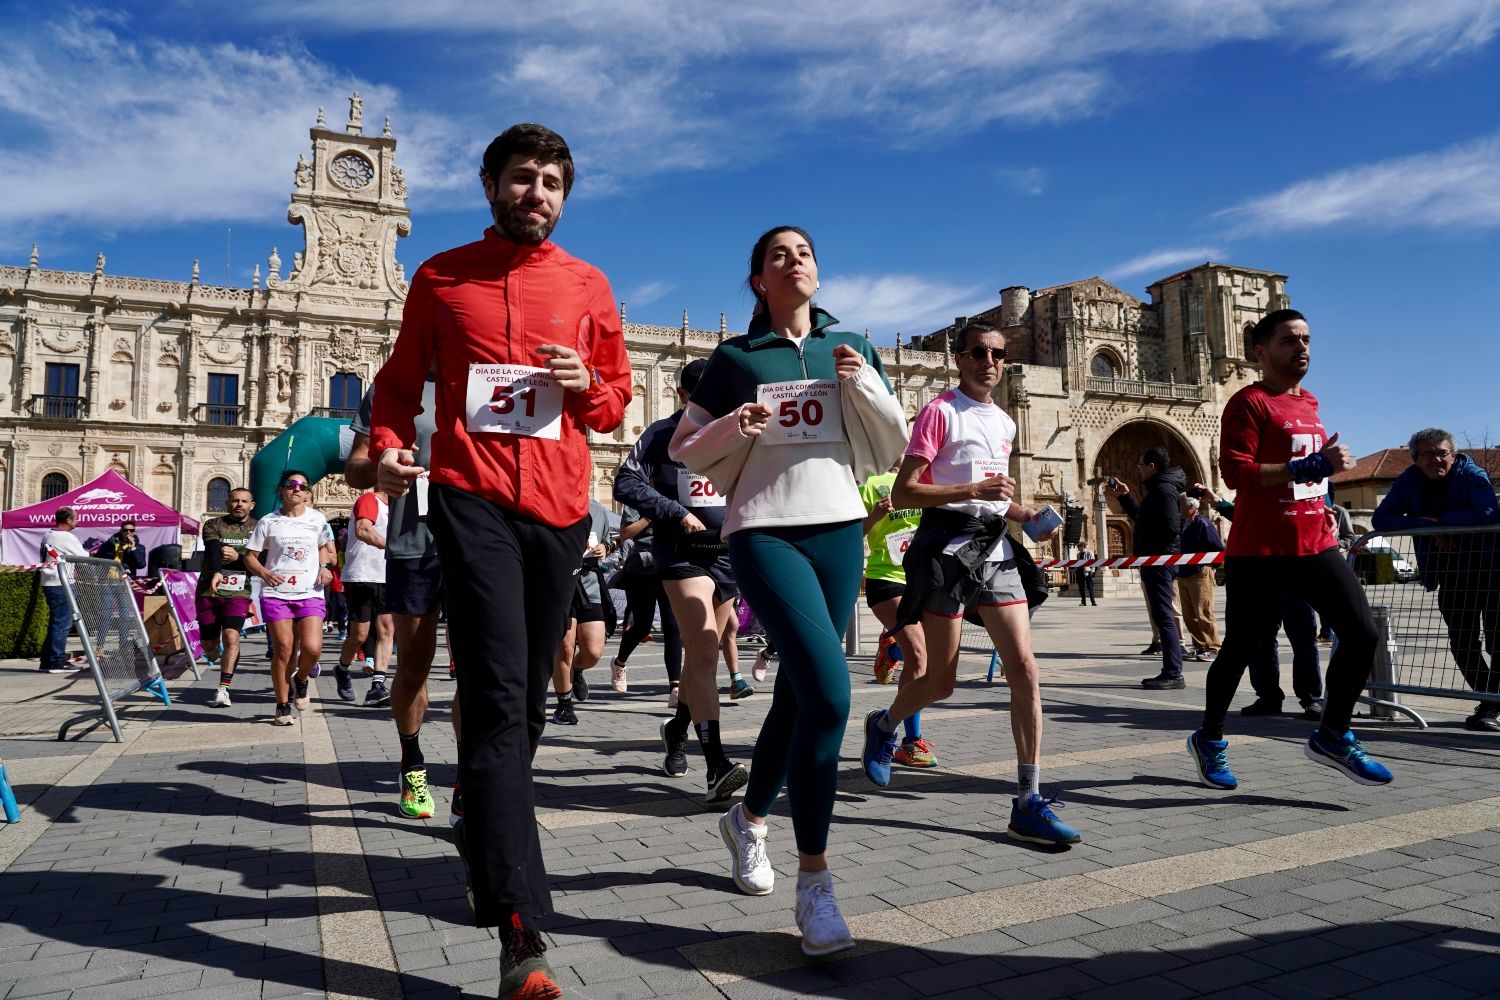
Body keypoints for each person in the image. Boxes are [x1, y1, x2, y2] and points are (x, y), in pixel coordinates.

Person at [368, 122, 630, 999]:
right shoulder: (440, 278)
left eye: (554, 181)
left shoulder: (588, 284)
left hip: (559, 508)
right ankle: (521, 930)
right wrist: (387, 441)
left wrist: (583, 383)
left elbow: (614, 398)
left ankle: (482, 809)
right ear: (490, 185)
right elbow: (400, 386)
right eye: (523, 178)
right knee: (496, 692)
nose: (539, 193)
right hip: (470, 500)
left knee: (529, 703)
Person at [672, 225, 906, 957]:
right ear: (758, 281)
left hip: (839, 528)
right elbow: (685, 446)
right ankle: (816, 886)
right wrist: (736, 426)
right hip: (763, 530)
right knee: (832, 695)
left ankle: (748, 819)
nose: (794, 260)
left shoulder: (854, 350)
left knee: (801, 696)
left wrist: (859, 382)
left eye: (804, 251)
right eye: (778, 255)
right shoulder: (737, 359)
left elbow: (895, 443)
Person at [859, 320, 1076, 849]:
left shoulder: (1005, 421)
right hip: (948, 553)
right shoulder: (939, 412)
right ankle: (884, 726)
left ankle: (1028, 799)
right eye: (978, 352)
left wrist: (1028, 513)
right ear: (959, 359)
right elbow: (908, 493)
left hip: (995, 547)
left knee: (1024, 667)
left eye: (999, 354)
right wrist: (972, 487)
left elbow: (996, 497)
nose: (990, 362)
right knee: (940, 682)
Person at [1186, 308, 1393, 789]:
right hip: (1260, 550)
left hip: (1315, 544)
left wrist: (1320, 494)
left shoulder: (1312, 403)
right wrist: (1310, 466)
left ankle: (1334, 735)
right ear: (1260, 351)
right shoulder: (1249, 402)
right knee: (1240, 648)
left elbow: (1310, 472)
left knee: (1361, 634)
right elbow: (1236, 474)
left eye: (1306, 340)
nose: (1302, 348)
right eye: (1289, 341)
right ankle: (1210, 738)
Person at [616, 358, 752, 800]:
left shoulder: (738, 433)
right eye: (702, 397)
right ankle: (716, 765)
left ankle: (677, 730)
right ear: (683, 396)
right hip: (682, 556)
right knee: (705, 652)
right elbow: (625, 482)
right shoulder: (661, 434)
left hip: (726, 555)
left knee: (702, 659)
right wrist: (676, 513)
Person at [348, 377, 463, 821]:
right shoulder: (390, 386)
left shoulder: (491, 370)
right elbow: (355, 466)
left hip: (478, 542)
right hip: (413, 543)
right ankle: (412, 761)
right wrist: (379, 469)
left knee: (476, 665)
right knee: (414, 662)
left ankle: (466, 774)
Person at [1372, 427, 1500, 731]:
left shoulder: (1472, 475)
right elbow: (1380, 519)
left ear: (1453, 455)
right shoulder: (1409, 480)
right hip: (1450, 575)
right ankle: (1493, 701)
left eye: (1443, 453)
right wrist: (1422, 524)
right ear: (1416, 458)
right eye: (1428, 454)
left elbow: (1487, 511)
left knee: (1498, 643)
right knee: (1462, 643)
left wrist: (1442, 523)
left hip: (1492, 571)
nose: (1436, 459)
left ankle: (1491, 706)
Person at [1196, 482, 1325, 721]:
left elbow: (1321, 511)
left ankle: (1311, 699)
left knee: (1303, 637)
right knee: (1262, 639)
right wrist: (1217, 502)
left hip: (1296, 570)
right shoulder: (1258, 486)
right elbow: (1246, 517)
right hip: (1262, 572)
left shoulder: (1303, 479)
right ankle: (1268, 697)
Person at [244, 470, 336, 726]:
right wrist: (264, 572)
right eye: (290, 484)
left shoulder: (318, 519)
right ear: (281, 490)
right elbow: (250, 556)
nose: (296, 489)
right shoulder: (268, 522)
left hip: (310, 591)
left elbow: (324, 549)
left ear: (308, 492)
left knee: (312, 648)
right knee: (284, 649)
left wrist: (326, 568)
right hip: (277, 593)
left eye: (302, 486)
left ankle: (302, 678)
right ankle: (282, 706)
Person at [859, 463, 933, 766]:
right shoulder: (869, 480)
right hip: (885, 579)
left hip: (924, 580)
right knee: (919, 658)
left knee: (932, 659)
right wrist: (876, 514)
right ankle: (910, 742)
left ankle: (891, 648)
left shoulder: (924, 479)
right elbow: (853, 531)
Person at [1108, 448, 1187, 688]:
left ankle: (1173, 673)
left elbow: (1171, 526)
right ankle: (1171, 670)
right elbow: (1143, 518)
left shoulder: (1162, 490)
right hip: (1156, 560)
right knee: (1161, 615)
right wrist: (1125, 496)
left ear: (1152, 466)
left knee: (1164, 616)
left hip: (1160, 561)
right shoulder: (1159, 489)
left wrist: (1151, 548)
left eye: (1141, 464)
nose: (1138, 469)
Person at [608, 508, 685, 702]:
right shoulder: (637, 496)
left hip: (670, 563)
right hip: (643, 567)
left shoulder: (675, 492)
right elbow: (626, 533)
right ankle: (619, 662)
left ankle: (675, 688)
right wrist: (652, 515)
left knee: (672, 625)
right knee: (642, 625)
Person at [550, 499, 614, 725]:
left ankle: (577, 670)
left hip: (589, 583)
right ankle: (564, 705)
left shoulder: (597, 509)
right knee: (565, 646)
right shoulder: (553, 503)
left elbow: (608, 541)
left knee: (593, 651)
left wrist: (605, 548)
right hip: (561, 583)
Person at [197, 488, 258, 706]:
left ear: (252, 505)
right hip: (209, 590)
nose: (239, 504)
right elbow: (213, 550)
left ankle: (223, 689)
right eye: (235, 501)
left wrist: (238, 557)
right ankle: (212, 652)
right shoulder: (213, 525)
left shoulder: (258, 528)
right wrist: (216, 572)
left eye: (244, 501)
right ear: (227, 503)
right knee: (209, 645)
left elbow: (263, 561)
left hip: (238, 592)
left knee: (232, 637)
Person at [338, 489, 394, 707]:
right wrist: (392, 548)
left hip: (388, 575)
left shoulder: (400, 506)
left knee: (387, 629)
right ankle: (342, 669)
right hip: (362, 574)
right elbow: (363, 530)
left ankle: (377, 686)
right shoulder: (370, 499)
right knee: (359, 635)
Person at [38, 507, 87, 674]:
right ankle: (57, 662)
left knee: (56, 622)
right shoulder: (65, 537)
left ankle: (47, 660)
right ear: (68, 520)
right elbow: (83, 558)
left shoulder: (49, 534)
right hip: (61, 582)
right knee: (63, 623)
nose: (77, 521)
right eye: (76, 518)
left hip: (50, 581)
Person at [1176, 494, 1224, 661]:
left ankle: (1213, 647)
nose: (1179, 509)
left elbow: (1218, 547)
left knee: (1203, 611)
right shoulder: (1182, 524)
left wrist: (1211, 568)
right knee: (1189, 614)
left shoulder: (1202, 523)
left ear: (1191, 508)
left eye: (1181, 506)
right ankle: (1199, 645)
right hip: (1182, 572)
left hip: (1199, 572)